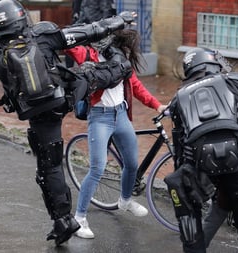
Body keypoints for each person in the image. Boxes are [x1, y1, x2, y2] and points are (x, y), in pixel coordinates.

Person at [0, 0, 136, 246]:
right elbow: (86, 32)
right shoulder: (43, 34)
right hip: (63, 98)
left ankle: (62, 220)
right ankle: (121, 67)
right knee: (91, 74)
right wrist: (119, 21)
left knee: (50, 169)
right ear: (22, 16)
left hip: (38, 115)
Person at [164, 47, 238, 253]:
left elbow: (180, 149)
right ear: (213, 64)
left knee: (188, 211)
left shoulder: (178, 99)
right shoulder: (235, 81)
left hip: (201, 166)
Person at [65, 28, 167, 239]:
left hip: (121, 115)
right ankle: (80, 218)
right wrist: (84, 33)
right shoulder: (90, 55)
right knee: (97, 169)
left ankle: (125, 200)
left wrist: (157, 106)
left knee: (131, 164)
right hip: (99, 117)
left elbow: (136, 86)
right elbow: (71, 46)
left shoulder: (121, 58)